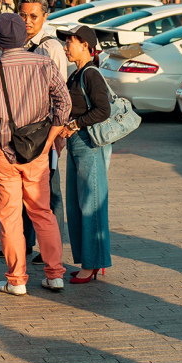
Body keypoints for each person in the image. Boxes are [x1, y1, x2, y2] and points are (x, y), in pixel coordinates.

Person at [0, 13, 71, 295]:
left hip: (3, 152)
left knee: (10, 216)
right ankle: (55, 274)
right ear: (23, 37)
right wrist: (51, 137)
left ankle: (16, 280)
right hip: (37, 150)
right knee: (43, 211)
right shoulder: (43, 62)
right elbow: (63, 103)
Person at [60, 25, 114, 283]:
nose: (65, 46)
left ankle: (93, 263)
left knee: (90, 204)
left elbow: (103, 110)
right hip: (75, 144)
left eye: (70, 41)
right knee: (76, 204)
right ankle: (89, 260)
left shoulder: (91, 74)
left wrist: (74, 125)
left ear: (85, 45)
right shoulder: (76, 74)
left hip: (88, 144)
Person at [19, 0, 67, 256]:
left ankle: (52, 249)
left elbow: (61, 97)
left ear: (45, 17)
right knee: (23, 190)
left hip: (45, 131)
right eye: (23, 15)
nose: (27, 21)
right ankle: (23, 243)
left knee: (50, 193)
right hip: (21, 131)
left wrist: (56, 134)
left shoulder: (51, 48)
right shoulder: (16, 44)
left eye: (33, 16)